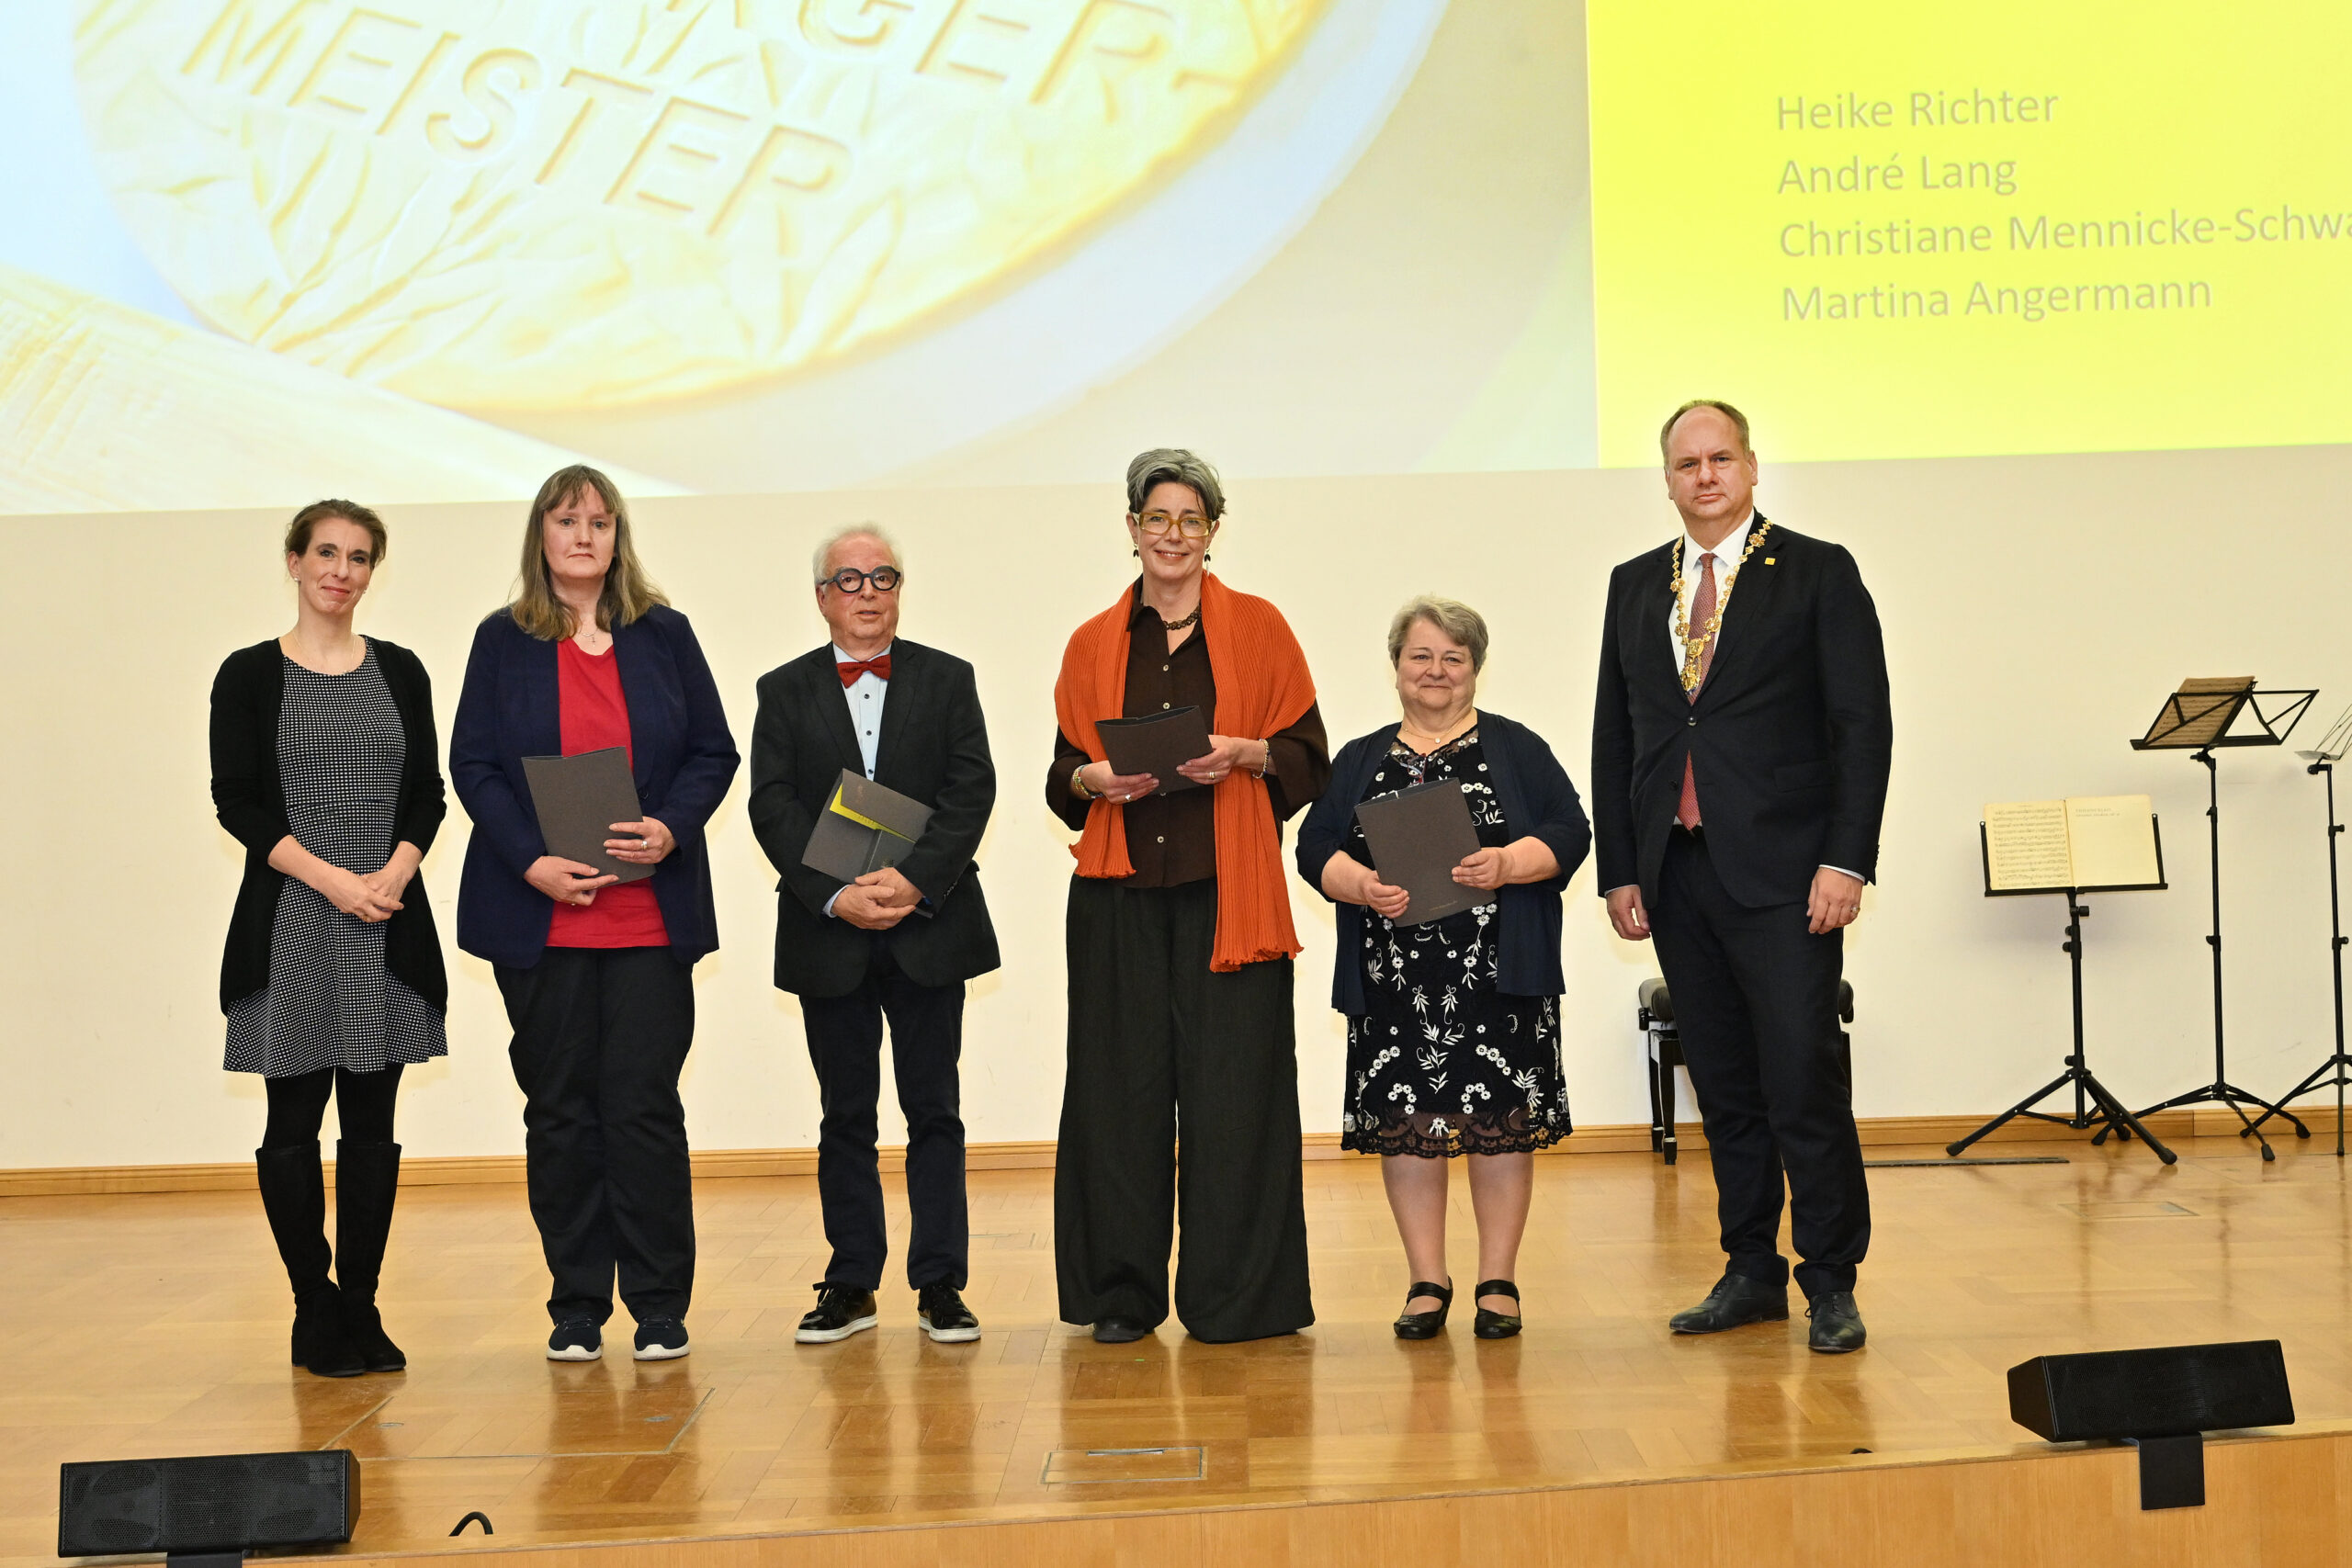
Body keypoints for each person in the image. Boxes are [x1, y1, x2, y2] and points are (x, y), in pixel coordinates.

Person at [1590, 400, 1892, 1353]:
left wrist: (1845, 858)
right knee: (1722, 1084)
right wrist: (1619, 867)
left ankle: (1831, 1280)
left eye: (1721, 458)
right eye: (1687, 464)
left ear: (1752, 469)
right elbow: (1618, 734)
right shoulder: (1635, 585)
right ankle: (1751, 1269)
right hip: (1676, 873)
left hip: (1787, 874)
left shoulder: (1816, 571)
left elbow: (1861, 725)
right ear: (1668, 480)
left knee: (1801, 1076)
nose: (1705, 476)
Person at [450, 465, 740, 1364]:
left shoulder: (665, 635)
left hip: (650, 921)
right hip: (541, 922)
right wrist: (530, 861)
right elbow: (475, 766)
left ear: (619, 538)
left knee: (644, 1111)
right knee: (560, 1115)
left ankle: (658, 1306)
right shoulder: (502, 641)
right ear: (540, 534)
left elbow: (712, 752)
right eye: (567, 520)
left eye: (600, 522)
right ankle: (576, 1305)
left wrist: (670, 827)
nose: (584, 535)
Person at [1047, 448, 1330, 1344]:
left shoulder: (1261, 628)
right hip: (1119, 900)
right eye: (1157, 519)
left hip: (1228, 897)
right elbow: (1059, 777)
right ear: (1131, 530)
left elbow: (1309, 757)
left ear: (1213, 532)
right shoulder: (1093, 641)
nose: (1174, 535)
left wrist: (1245, 754)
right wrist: (1093, 780)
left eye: (1191, 520)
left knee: (1235, 1097)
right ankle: (1122, 1297)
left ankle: (1236, 1300)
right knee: (1116, 1095)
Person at [1296, 598, 1589, 1340]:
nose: (1436, 671)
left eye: (1452, 658)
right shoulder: (1360, 758)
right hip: (1394, 985)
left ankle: (1499, 1280)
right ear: (1396, 667)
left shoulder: (1517, 748)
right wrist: (1360, 884)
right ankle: (1427, 1278)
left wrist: (1508, 863)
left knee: (1500, 1130)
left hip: (1502, 979)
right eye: (1421, 656)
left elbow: (1570, 830)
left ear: (1475, 669)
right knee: (1407, 1131)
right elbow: (1313, 844)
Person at [210, 500, 445, 1379]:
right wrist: (333, 879)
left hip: (384, 920)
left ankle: (362, 1303)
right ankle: (313, 1305)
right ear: (295, 561)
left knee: (373, 1127)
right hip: (294, 922)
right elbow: (235, 799)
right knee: (293, 1121)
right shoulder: (247, 673)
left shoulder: (403, 671)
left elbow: (429, 791)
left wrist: (394, 872)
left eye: (358, 557)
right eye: (326, 553)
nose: (341, 570)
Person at [749, 526, 999, 1346]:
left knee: (936, 1111)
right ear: (821, 596)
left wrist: (915, 880)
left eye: (881, 576)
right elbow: (772, 806)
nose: (866, 591)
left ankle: (940, 1285)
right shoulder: (782, 690)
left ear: (900, 588)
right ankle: (851, 1281)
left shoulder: (948, 678)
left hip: (931, 925)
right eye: (847, 579)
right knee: (844, 1114)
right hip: (834, 935)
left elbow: (972, 790)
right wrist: (835, 895)